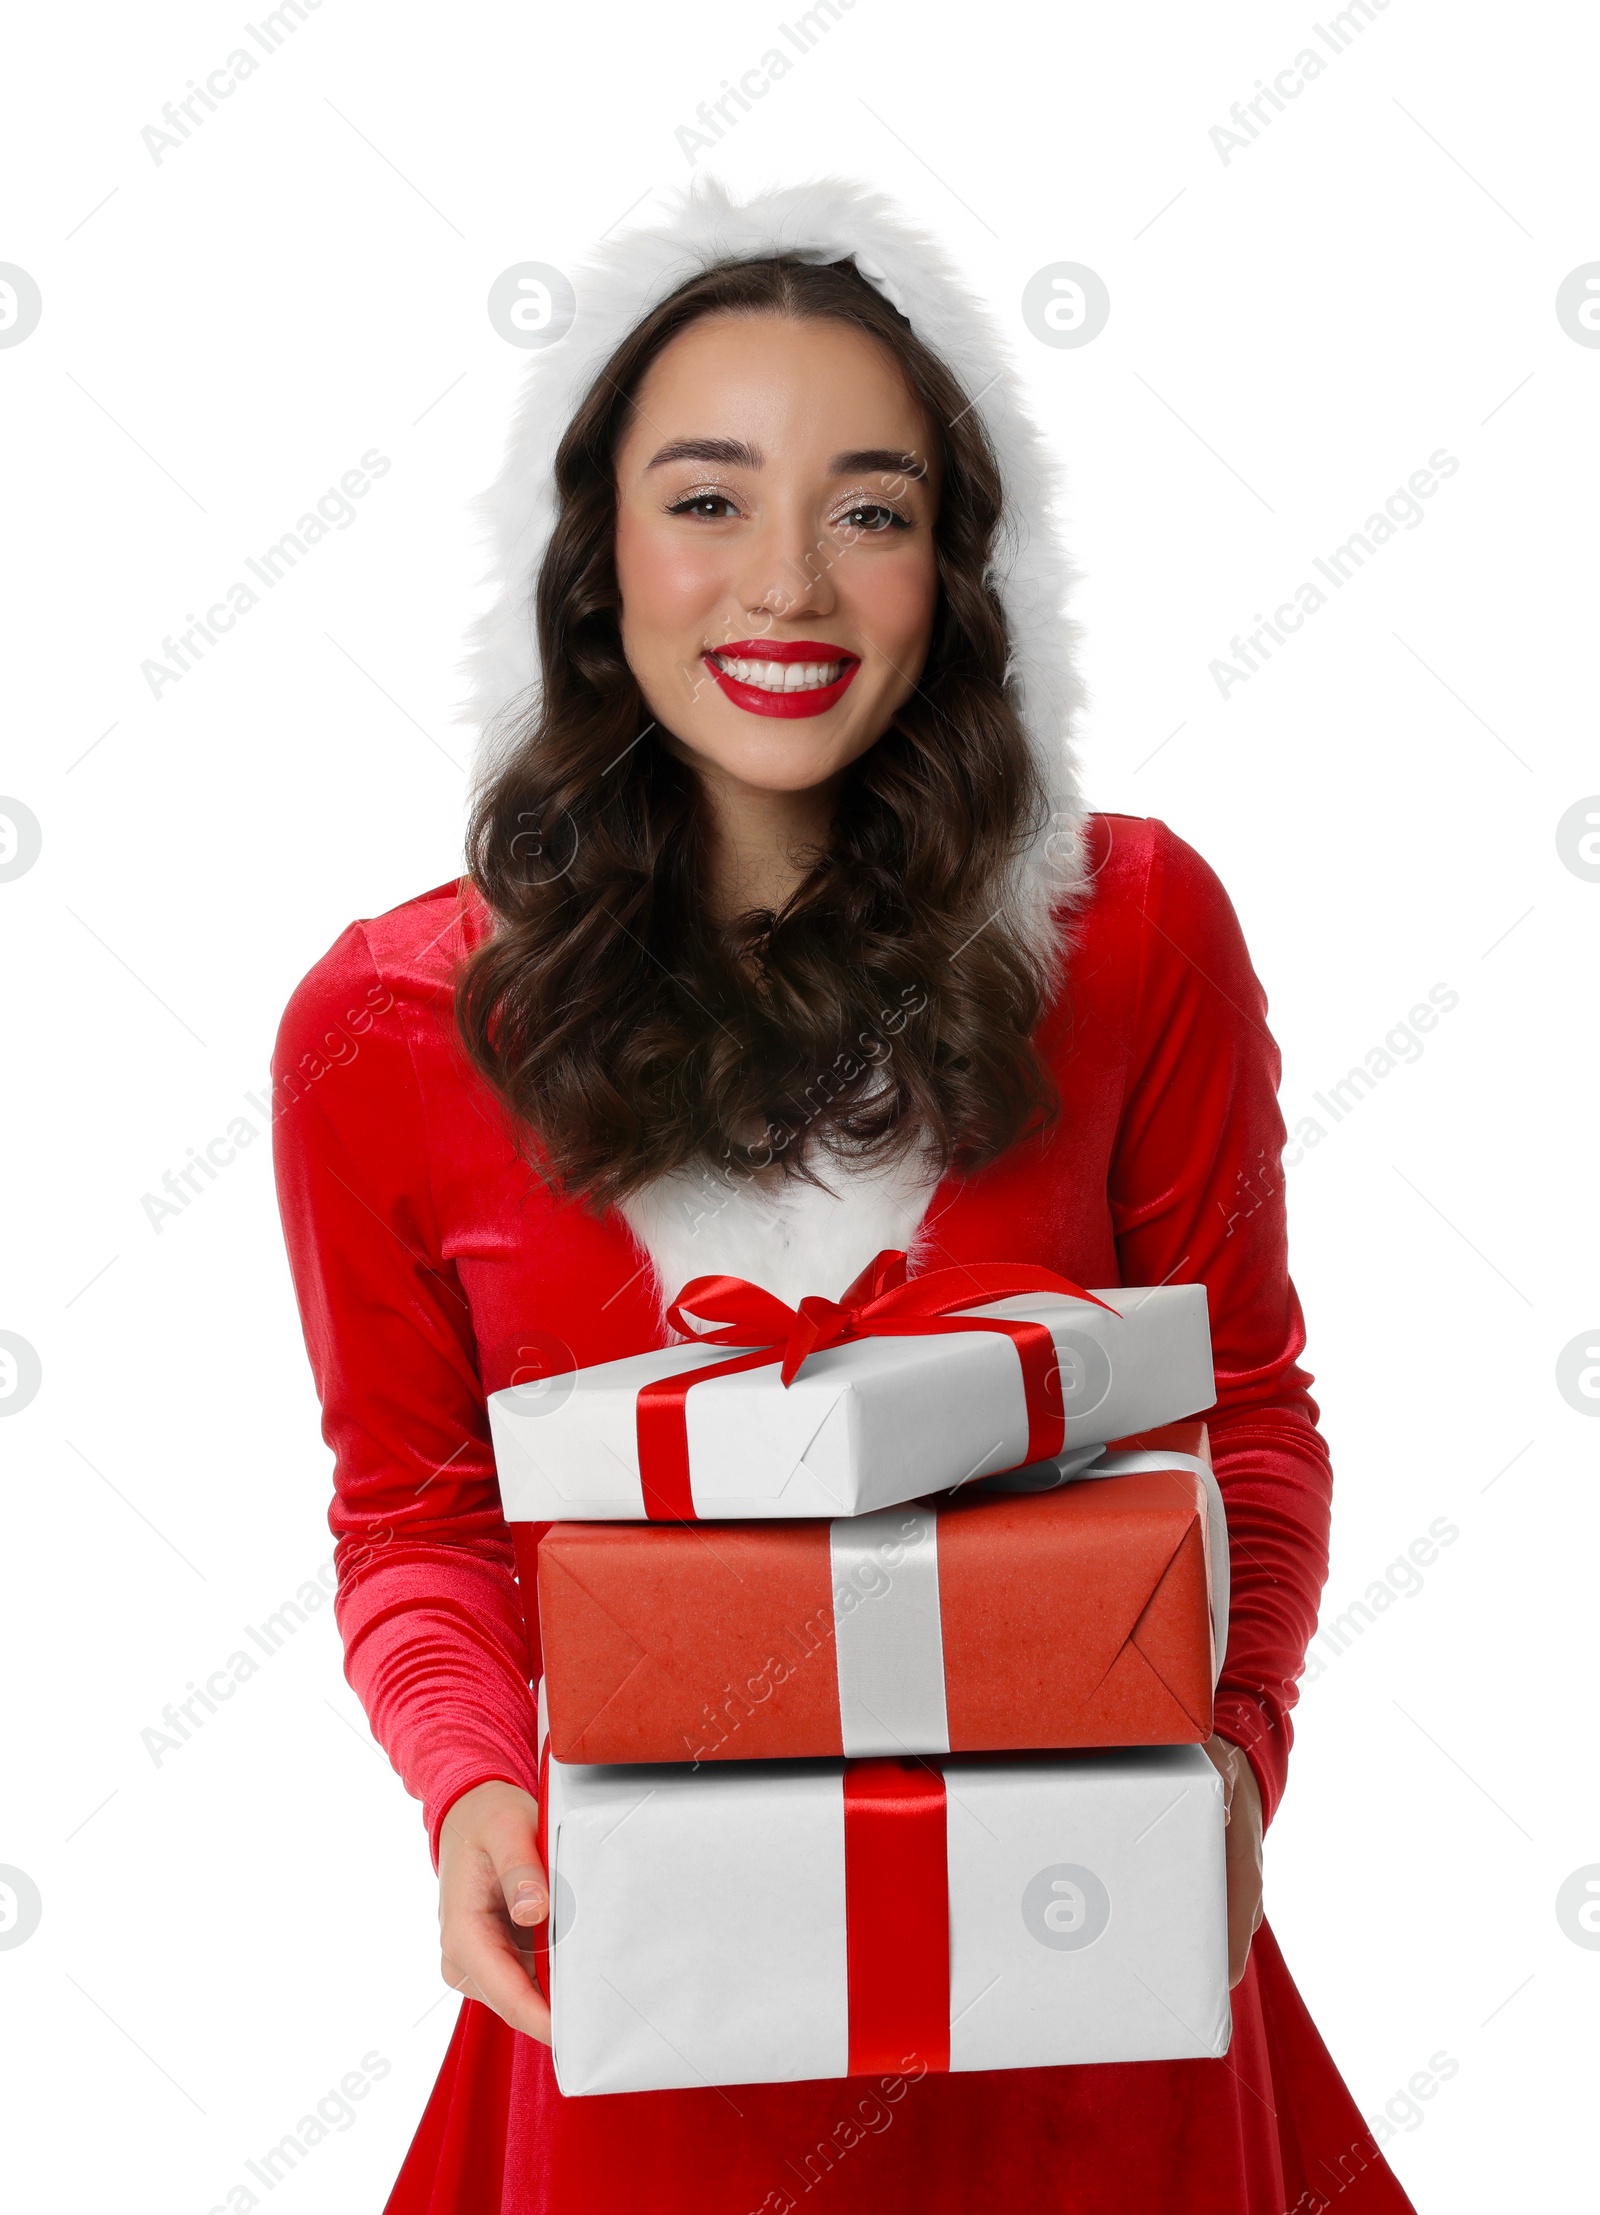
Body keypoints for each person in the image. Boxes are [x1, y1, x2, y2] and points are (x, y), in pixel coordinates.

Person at [272, 179, 1415, 2215]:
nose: (782, 583)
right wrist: (469, 1788)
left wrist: (1234, 1757)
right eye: (705, 499)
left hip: (1097, 1981)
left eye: (867, 509)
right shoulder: (380, 1030)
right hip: (656, 1996)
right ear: (588, 555)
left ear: (955, 571)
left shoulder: (1131, 930)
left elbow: (1242, 1410)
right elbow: (413, 1517)